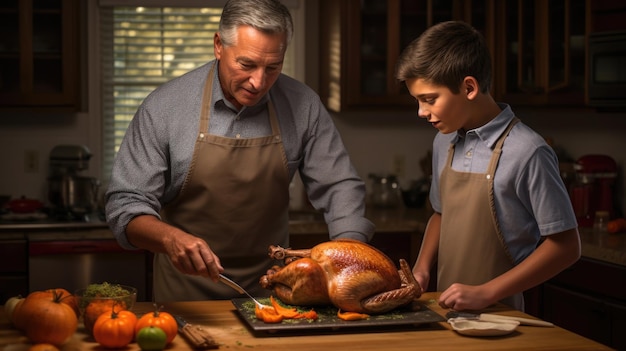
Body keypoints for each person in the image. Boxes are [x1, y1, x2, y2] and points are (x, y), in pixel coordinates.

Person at [105, 0, 374, 302]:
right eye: (246, 64)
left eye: (273, 67)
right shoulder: (165, 107)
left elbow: (339, 185)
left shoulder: (303, 105)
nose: (259, 82)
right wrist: (170, 238)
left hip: (274, 291)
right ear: (219, 45)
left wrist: (350, 253)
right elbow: (125, 206)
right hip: (184, 298)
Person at [395, 21, 581, 311]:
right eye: (416, 101)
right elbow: (441, 214)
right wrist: (420, 269)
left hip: (503, 319)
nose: (421, 112)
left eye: (429, 99)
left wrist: (486, 292)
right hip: (446, 313)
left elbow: (567, 247)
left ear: (469, 87)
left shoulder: (527, 151)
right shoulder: (443, 141)